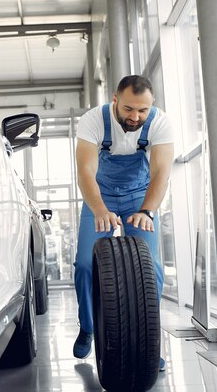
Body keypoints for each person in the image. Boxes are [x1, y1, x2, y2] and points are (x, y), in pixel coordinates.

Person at [72, 75, 174, 371]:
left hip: (138, 199)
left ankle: (147, 344)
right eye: (129, 109)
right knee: (85, 265)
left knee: (150, 269)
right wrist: (100, 209)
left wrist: (148, 211)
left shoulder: (160, 122)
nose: (136, 117)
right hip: (99, 198)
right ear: (115, 100)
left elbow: (160, 174)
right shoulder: (93, 120)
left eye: (143, 110)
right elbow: (85, 172)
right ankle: (88, 326)